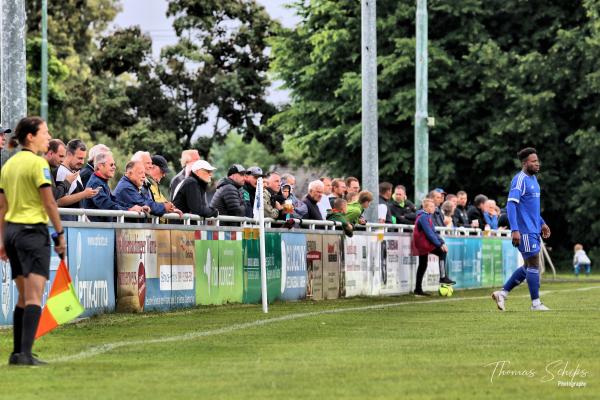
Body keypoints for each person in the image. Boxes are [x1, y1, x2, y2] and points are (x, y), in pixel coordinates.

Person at [0, 116, 66, 365]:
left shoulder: (8, 166)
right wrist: (60, 234)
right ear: (31, 136)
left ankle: (17, 353)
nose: (48, 138)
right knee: (34, 297)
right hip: (33, 233)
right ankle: (26, 354)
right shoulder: (38, 165)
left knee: (22, 296)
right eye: (45, 133)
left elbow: (2, 207)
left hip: (14, 234)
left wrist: (2, 240)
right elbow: (49, 202)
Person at [492, 147, 551, 311]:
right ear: (525, 163)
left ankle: (502, 294)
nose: (537, 164)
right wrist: (515, 230)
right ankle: (535, 303)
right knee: (534, 265)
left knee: (527, 266)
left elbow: (531, 209)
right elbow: (511, 205)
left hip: (533, 229)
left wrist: (542, 223)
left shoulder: (534, 181)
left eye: (537, 161)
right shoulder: (519, 180)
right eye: (534, 161)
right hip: (524, 230)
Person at [83, 153, 147, 221]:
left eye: (114, 164)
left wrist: (134, 207)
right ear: (100, 166)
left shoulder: (101, 181)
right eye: (111, 165)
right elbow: (106, 205)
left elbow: (114, 201)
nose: (114, 167)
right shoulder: (96, 183)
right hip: (97, 229)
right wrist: (129, 209)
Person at [412, 198, 455, 296]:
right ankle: (443, 277)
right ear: (425, 207)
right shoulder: (423, 216)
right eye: (431, 206)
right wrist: (440, 244)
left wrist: (442, 242)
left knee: (423, 265)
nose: (434, 208)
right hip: (422, 243)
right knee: (442, 252)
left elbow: (433, 232)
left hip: (422, 242)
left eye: (434, 206)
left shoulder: (426, 216)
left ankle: (418, 289)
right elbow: (429, 233)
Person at [55, 139, 98, 218]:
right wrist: (84, 194)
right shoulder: (61, 171)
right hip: (66, 224)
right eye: (79, 158)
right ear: (69, 154)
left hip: (75, 223)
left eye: (83, 158)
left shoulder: (75, 170)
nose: (82, 162)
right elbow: (59, 201)